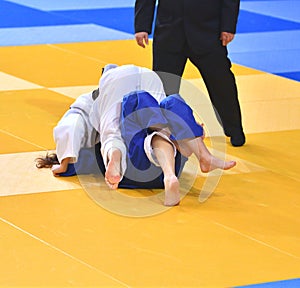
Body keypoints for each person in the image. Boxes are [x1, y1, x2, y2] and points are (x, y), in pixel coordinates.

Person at [134, 0, 246, 147]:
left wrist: (228, 26)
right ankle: (164, 134)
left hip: (208, 32)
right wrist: (142, 26)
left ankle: (234, 129)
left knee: (222, 84)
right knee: (163, 88)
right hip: (169, 31)